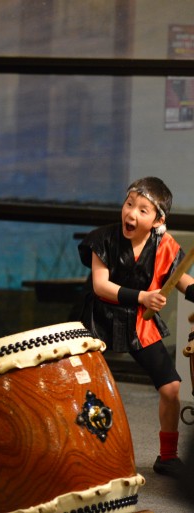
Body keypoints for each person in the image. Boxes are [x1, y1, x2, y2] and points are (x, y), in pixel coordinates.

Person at [78, 176, 194, 478]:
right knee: (92, 390)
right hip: (100, 320)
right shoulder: (101, 239)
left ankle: (167, 456)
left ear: (158, 220)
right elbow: (101, 286)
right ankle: (90, 453)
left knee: (171, 387)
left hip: (140, 324)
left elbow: (181, 280)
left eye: (143, 210)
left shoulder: (165, 246)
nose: (131, 213)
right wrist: (144, 296)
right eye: (129, 204)